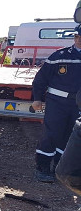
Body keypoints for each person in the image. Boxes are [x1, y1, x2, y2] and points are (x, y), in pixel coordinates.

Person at [31, 24, 81, 183]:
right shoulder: (59, 56)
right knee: (51, 134)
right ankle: (42, 168)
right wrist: (37, 98)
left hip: (78, 105)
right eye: (77, 37)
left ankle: (60, 169)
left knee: (70, 137)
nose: (79, 40)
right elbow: (41, 79)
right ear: (74, 37)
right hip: (57, 103)